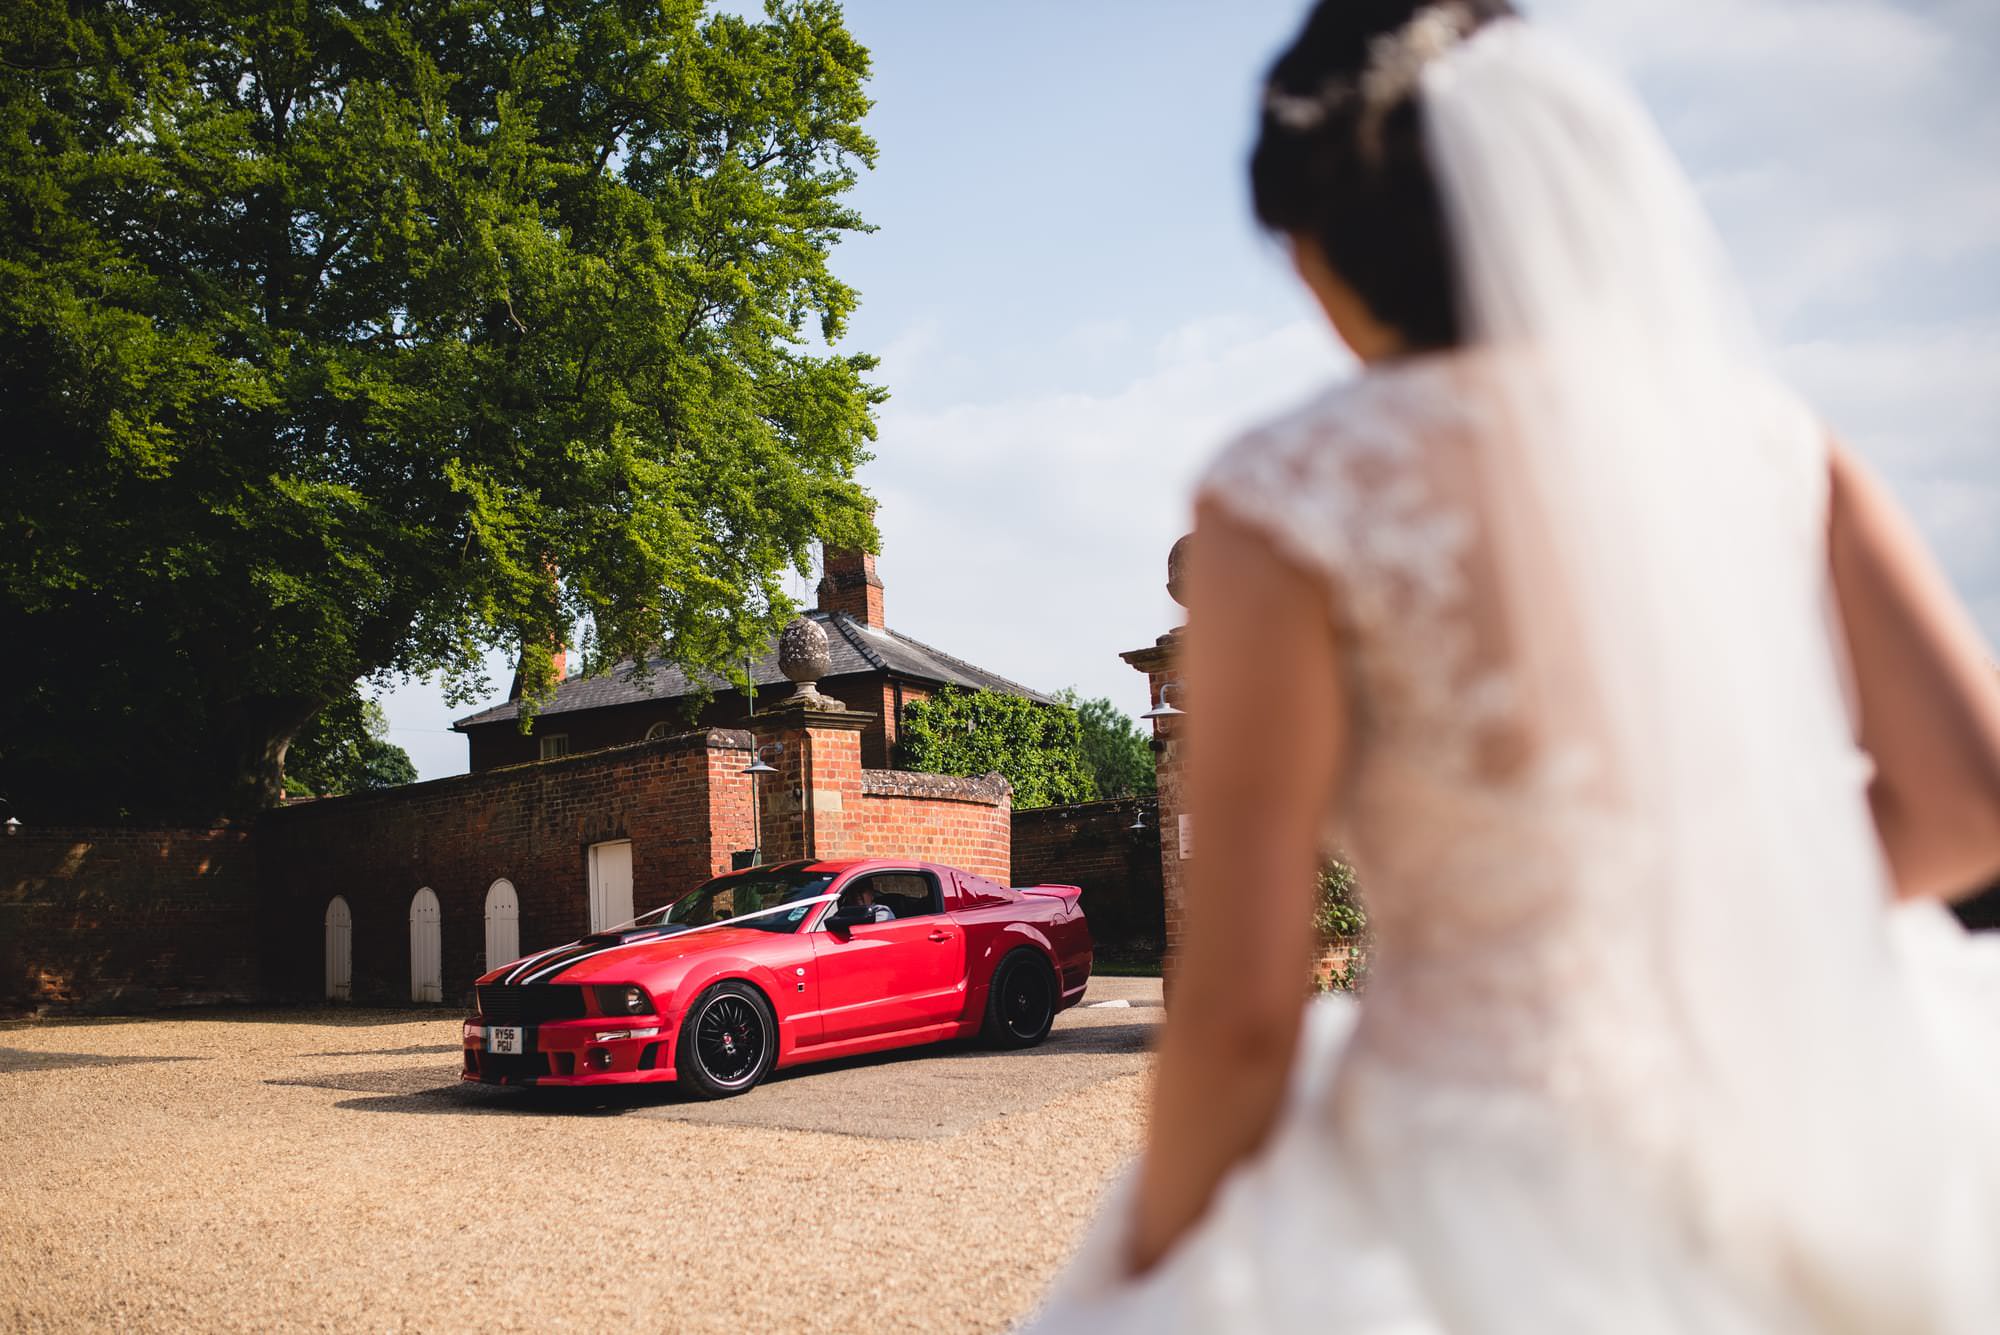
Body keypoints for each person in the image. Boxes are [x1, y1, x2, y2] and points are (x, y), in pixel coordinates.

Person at [1028, 4, 2000, 1332]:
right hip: (1804, 1106)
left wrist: (1160, 1263)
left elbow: (1246, 1008)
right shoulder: (1770, 445)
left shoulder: (1294, 494)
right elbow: (1969, 805)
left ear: (1316, 254)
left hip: (1465, 1163)